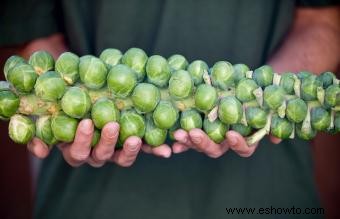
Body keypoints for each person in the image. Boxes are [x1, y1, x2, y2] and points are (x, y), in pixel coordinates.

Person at [1, 0, 339, 218]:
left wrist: (263, 104)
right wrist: (68, 111)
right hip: (91, 202)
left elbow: (323, 22)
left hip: (268, 197)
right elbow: (35, 35)